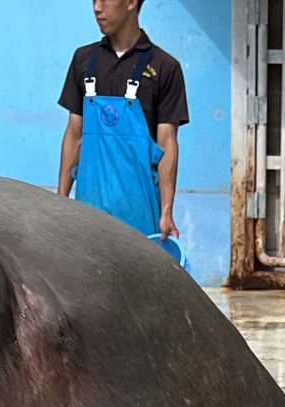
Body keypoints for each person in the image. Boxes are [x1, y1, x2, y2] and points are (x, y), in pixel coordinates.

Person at [54, 0, 187, 249]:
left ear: (131, 3)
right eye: (94, 0)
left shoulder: (165, 68)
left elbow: (167, 142)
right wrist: (60, 201)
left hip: (140, 214)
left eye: (105, 0)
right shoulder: (84, 59)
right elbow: (74, 134)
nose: (97, 7)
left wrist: (167, 211)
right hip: (88, 212)